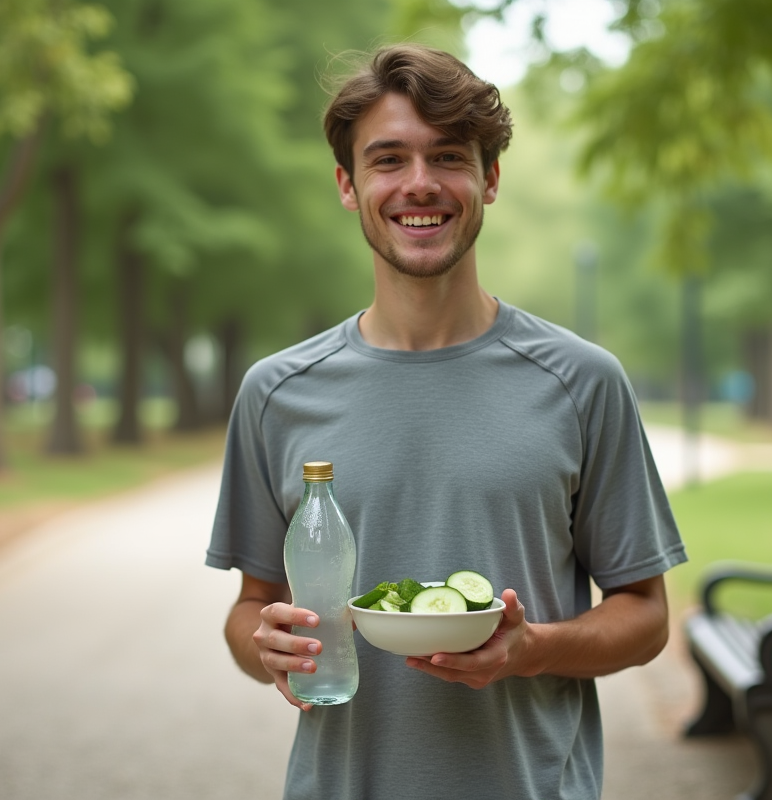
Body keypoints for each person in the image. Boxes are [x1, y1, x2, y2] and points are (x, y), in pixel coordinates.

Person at [206, 43, 685, 800]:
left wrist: (530, 649)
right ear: (348, 184)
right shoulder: (276, 392)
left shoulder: (582, 382)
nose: (419, 185)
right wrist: (266, 646)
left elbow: (646, 618)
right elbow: (248, 609)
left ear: (488, 179)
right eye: (388, 159)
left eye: (449, 157)